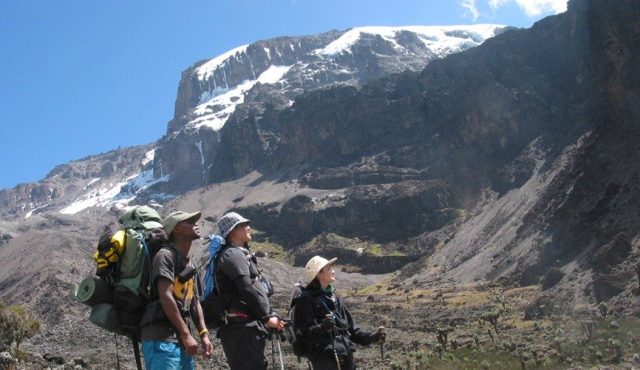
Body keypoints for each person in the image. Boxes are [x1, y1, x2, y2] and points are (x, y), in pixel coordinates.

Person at [140, 210, 213, 370]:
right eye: (190, 222)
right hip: (161, 337)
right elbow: (165, 295)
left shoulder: (190, 264)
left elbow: (195, 303)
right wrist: (186, 334)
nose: (196, 224)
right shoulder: (165, 256)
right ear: (177, 229)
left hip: (181, 339)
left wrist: (203, 334)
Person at [214, 211, 285, 370]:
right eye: (243, 225)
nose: (248, 227)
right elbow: (246, 287)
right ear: (232, 231)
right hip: (242, 331)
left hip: (244, 329)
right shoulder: (232, 254)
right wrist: (267, 317)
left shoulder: (235, 254)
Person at [294, 255, 386, 370]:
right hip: (323, 360)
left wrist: (373, 337)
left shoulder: (333, 297)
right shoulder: (306, 299)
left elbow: (353, 330)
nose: (333, 271)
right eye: (329, 268)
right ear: (319, 274)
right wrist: (322, 328)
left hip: (345, 356)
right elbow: (303, 333)